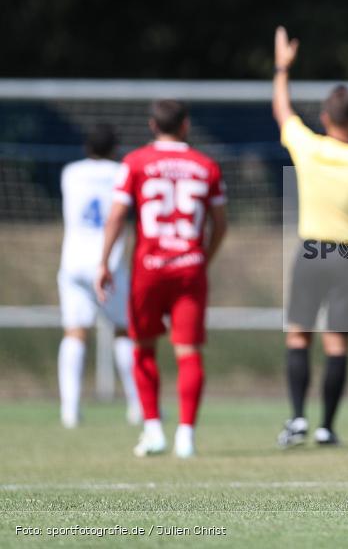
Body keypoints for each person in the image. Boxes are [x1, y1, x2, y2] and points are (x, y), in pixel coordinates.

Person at [272, 26, 348, 447]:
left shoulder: (309, 147)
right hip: (346, 257)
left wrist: (282, 68)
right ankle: (326, 426)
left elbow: (283, 112)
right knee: (337, 343)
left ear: (325, 119)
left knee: (298, 333)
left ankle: (297, 420)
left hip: (310, 252)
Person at [95, 100, 227, 458]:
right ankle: (186, 436)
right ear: (185, 126)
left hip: (148, 270)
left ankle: (153, 429)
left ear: (153, 125)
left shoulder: (135, 162)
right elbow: (221, 223)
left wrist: (104, 261)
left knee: (143, 347)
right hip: (189, 268)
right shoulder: (205, 166)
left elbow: (117, 216)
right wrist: (202, 259)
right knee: (188, 353)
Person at [57, 124, 141, 428]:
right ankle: (137, 407)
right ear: (114, 149)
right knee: (123, 331)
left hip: (73, 262)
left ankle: (70, 410)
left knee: (75, 333)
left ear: (86, 148)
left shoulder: (70, 173)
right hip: (109, 262)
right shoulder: (122, 172)